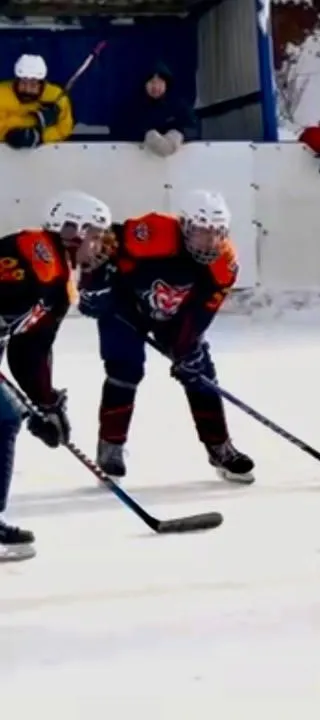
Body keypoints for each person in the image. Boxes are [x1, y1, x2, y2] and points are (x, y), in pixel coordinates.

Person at [77, 190, 255, 484]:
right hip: (125, 307)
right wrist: (93, 286)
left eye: (217, 233)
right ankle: (110, 449)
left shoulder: (224, 261)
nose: (210, 241)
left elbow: (202, 311)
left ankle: (220, 448)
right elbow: (102, 243)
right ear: (184, 226)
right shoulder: (154, 231)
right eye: (201, 232)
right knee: (125, 370)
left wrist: (187, 348)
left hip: (176, 314)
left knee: (199, 372)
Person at [0, 190, 104, 560]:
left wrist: (46, 403)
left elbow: (30, 349)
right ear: (70, 229)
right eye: (93, 234)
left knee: (6, 416)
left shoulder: (59, 286)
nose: (98, 245)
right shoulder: (26, 253)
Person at [110, 61, 199, 156]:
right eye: (152, 82)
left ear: (166, 84)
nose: (156, 86)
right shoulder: (132, 106)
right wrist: (147, 136)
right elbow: (119, 131)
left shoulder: (178, 105)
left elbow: (193, 128)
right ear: (144, 84)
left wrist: (177, 135)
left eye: (160, 82)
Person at [0, 54, 74, 150]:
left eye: (33, 83)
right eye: (23, 82)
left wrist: (40, 137)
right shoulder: (2, 94)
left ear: (41, 83)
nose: (27, 89)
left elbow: (64, 129)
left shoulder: (56, 97)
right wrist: (34, 120)